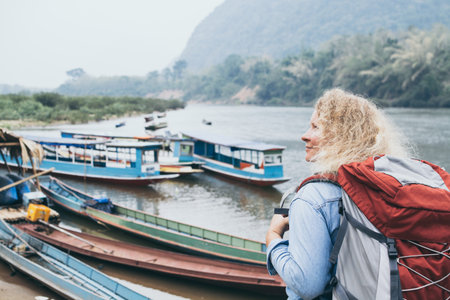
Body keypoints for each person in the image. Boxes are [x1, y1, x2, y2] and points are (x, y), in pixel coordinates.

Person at [265, 88, 411, 299]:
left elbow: (308, 286)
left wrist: (273, 238)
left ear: (341, 137)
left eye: (316, 127)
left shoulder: (312, 198)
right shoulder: (385, 187)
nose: (304, 135)